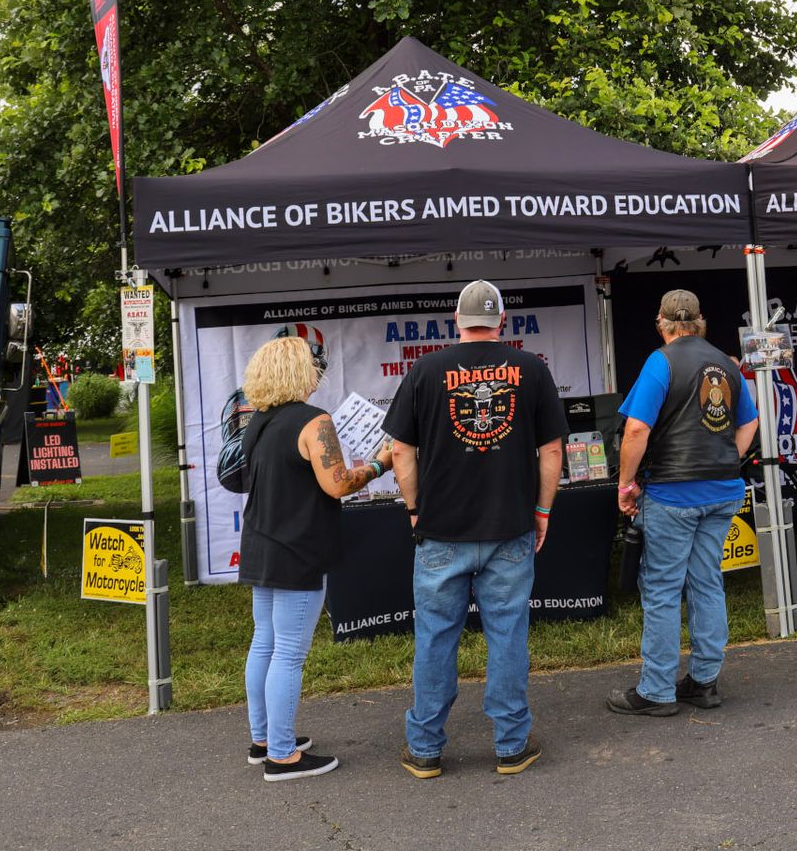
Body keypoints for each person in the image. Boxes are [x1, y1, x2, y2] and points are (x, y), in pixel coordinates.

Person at [384, 280, 566, 779]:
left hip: (441, 530)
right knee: (507, 636)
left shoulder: (425, 370)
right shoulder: (531, 368)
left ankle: (424, 749)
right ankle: (511, 746)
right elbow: (552, 450)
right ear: (501, 320)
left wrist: (415, 509)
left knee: (435, 637)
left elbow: (400, 450)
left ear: (457, 321)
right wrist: (543, 511)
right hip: (510, 527)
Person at [238, 335, 391, 781]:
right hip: (298, 548)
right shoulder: (313, 421)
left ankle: (264, 740)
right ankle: (282, 756)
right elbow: (337, 484)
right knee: (288, 652)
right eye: (312, 366)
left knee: (265, 642)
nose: (317, 373)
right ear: (299, 373)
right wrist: (379, 464)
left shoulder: (258, 421)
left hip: (262, 542)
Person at [608, 289, 759, 717]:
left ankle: (656, 690)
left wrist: (625, 485)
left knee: (661, 590)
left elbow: (637, 429)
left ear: (662, 323)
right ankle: (704, 682)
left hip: (672, 492)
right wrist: (726, 458)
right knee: (707, 582)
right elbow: (750, 422)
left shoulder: (661, 362)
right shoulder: (726, 364)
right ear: (700, 321)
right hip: (723, 491)